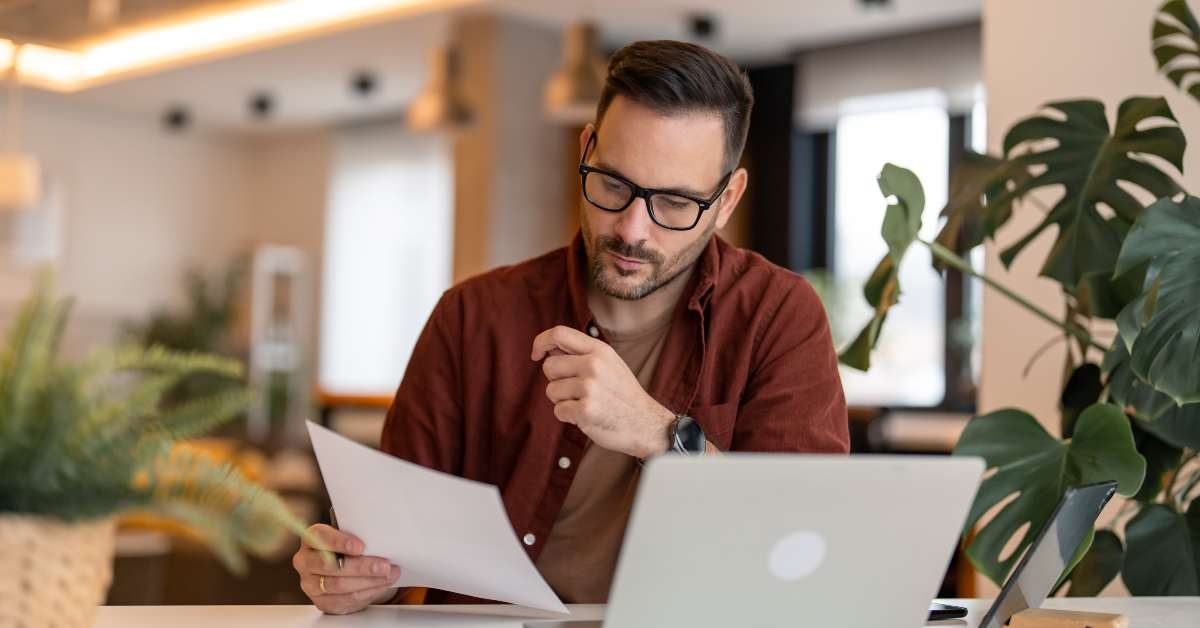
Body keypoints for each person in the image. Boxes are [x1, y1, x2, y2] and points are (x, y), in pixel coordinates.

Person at [292, 39, 849, 615]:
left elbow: (803, 544)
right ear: (586, 149)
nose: (632, 229)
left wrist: (659, 434)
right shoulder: (471, 316)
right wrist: (355, 575)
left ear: (727, 199)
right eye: (613, 184)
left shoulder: (778, 316)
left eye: (674, 203)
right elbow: (391, 543)